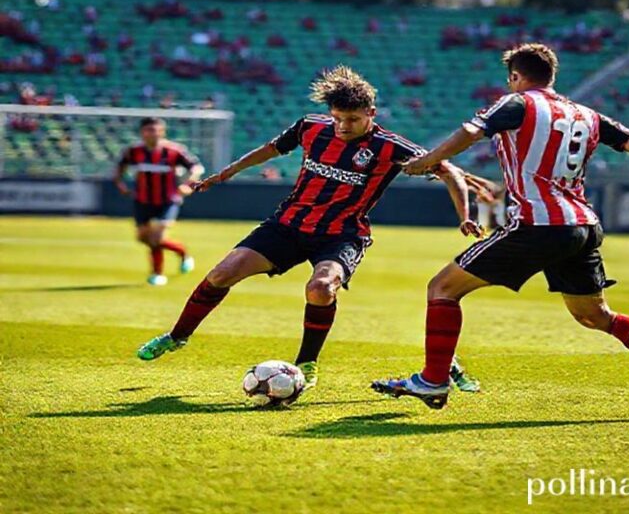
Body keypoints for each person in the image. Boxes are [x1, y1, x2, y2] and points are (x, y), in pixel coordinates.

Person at [372, 43, 629, 418]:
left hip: (537, 224)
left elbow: (472, 131)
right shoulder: (588, 115)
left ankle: (434, 380)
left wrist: (428, 160)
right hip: (583, 225)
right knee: (595, 316)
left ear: (516, 77)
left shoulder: (516, 103)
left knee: (442, 288)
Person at [136, 66, 482, 394]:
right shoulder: (310, 128)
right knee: (222, 273)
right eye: (338, 118)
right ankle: (177, 335)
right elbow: (271, 149)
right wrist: (226, 173)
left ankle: (307, 363)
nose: (343, 126)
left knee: (320, 288)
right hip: (288, 225)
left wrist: (464, 213)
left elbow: (448, 170)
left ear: (371, 113)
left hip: (342, 234)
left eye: (353, 120)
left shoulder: (390, 146)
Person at [115, 117, 203, 286]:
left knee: (157, 236)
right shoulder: (133, 152)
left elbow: (196, 168)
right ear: (142, 132)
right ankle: (182, 252)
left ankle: (157, 274)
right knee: (143, 238)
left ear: (162, 131)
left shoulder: (174, 151)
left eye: (157, 130)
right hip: (142, 201)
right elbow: (120, 168)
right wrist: (121, 185)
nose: (153, 134)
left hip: (167, 201)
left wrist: (187, 185)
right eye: (149, 130)